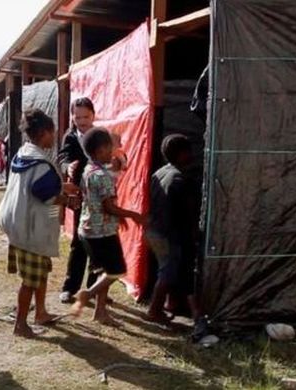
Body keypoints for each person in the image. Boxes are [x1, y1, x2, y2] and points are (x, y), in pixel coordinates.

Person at [0, 110, 79, 338]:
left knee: (40, 271)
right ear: (44, 133)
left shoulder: (24, 153)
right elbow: (44, 194)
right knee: (30, 279)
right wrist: (67, 200)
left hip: (18, 220)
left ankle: (40, 312)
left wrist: (61, 186)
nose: (54, 137)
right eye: (52, 133)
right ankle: (20, 324)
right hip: (29, 226)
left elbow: (37, 184)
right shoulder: (41, 162)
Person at [71, 127, 145, 326]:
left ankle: (100, 312)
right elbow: (109, 206)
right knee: (117, 271)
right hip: (101, 232)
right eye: (111, 148)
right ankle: (87, 294)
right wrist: (133, 215)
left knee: (104, 272)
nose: (113, 152)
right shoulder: (102, 176)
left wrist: (117, 217)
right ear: (101, 150)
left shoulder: (89, 169)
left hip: (88, 230)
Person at [145, 134, 203, 326]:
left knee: (169, 268)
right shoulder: (180, 179)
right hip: (168, 234)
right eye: (188, 152)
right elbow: (185, 213)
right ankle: (154, 310)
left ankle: (170, 304)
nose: (191, 155)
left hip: (153, 230)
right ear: (181, 154)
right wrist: (193, 233)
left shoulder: (159, 173)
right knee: (168, 271)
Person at [57, 97, 98, 304]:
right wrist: (68, 167)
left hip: (100, 196)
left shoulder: (100, 135)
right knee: (79, 242)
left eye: (86, 116)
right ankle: (69, 287)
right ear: (72, 116)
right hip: (80, 196)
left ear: (93, 115)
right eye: (77, 116)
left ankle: (93, 289)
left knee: (99, 242)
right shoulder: (70, 137)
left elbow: (114, 155)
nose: (81, 120)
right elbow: (62, 158)